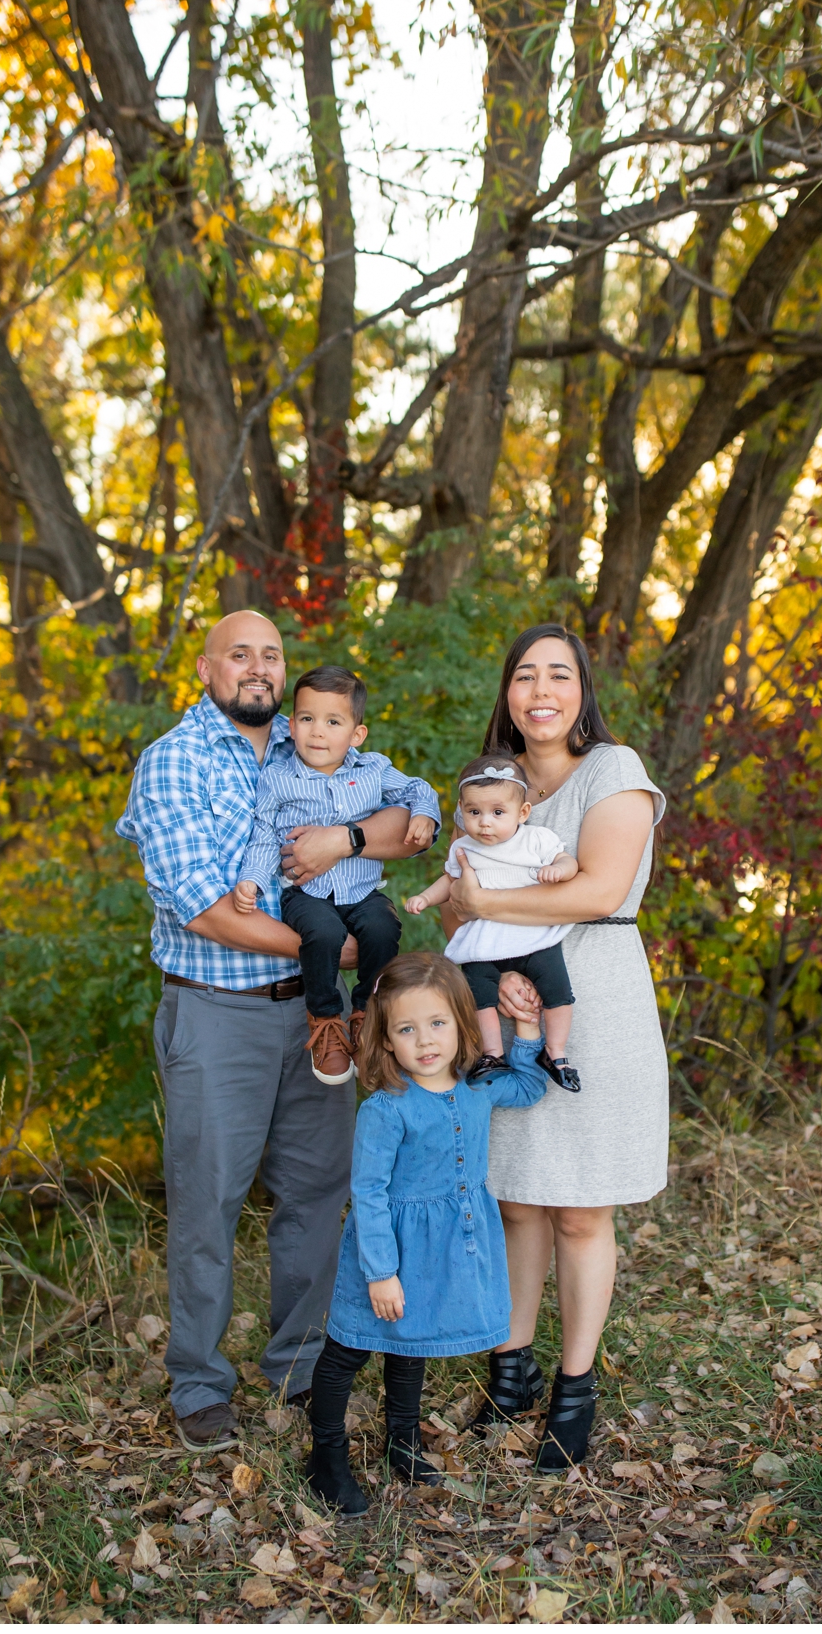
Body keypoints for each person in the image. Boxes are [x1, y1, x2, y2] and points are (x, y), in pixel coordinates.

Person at [114, 611, 435, 1452]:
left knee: (318, 1194)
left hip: (315, 1018)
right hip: (217, 1016)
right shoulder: (174, 762)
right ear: (206, 668)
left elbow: (409, 827)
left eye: (272, 656)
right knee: (208, 1203)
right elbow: (211, 913)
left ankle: (297, 1367)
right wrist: (340, 943)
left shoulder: (313, 750)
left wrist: (349, 838)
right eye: (240, 654)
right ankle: (198, 1386)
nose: (257, 668)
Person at [444, 625, 668, 1474]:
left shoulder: (615, 770)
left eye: (559, 675)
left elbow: (602, 888)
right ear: (507, 692)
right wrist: (493, 966)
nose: (541, 689)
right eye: (525, 675)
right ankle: (512, 1366)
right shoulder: (491, 785)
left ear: (582, 691)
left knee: (579, 1206)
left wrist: (486, 905)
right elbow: (456, 903)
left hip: (596, 995)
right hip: (500, 994)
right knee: (518, 1199)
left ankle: (576, 1389)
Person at [302, 951, 549, 1515]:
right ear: (386, 1040)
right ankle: (327, 1454)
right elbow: (367, 1194)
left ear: (462, 1025)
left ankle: (403, 1439)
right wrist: (381, 1272)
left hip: (445, 1248)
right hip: (388, 1249)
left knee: (413, 1339)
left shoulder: (478, 1088)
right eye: (407, 1029)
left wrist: (529, 1030)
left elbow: (531, 1087)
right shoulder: (387, 1110)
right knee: (349, 1351)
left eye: (438, 1024)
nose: (426, 1040)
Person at [224, 665, 441, 1085]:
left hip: (361, 890)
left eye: (333, 721)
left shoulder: (373, 770)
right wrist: (251, 878)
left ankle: (365, 1012)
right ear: (291, 726)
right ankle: (325, 1021)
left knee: (383, 926)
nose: (318, 732)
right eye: (307, 719)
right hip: (307, 893)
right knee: (322, 934)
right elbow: (265, 834)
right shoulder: (278, 779)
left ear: (356, 735)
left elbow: (418, 789)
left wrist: (425, 815)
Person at [404, 753, 582, 1090]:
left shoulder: (535, 840)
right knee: (478, 991)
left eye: (497, 813)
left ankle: (556, 1051)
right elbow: (449, 881)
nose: (485, 823)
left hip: (534, 935)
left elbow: (566, 860)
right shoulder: (465, 847)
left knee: (558, 991)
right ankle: (492, 1053)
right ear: (461, 809)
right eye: (474, 813)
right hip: (486, 940)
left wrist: (559, 870)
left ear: (523, 812)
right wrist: (426, 898)